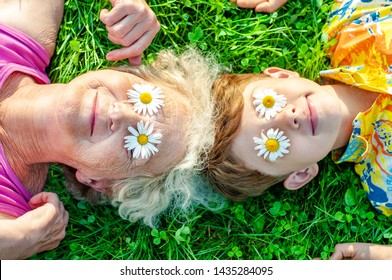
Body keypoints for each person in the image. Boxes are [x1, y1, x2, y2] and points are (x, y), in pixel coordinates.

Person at [0, 0, 220, 259]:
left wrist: (18, 241)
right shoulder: (21, 26)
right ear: (123, 70)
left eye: (138, 144)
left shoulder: (9, 227)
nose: (120, 113)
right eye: (144, 99)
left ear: (98, 181)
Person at [205, 0, 392, 259]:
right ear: (300, 174)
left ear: (281, 75)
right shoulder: (386, 183)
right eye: (274, 144)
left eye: (268, 103)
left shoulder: (353, 23)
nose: (287, 118)